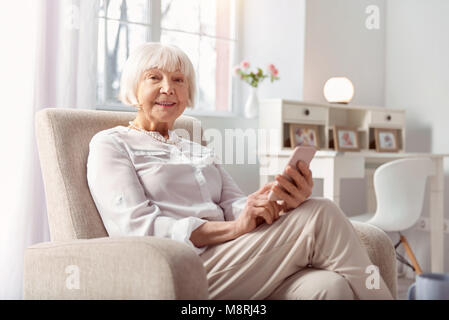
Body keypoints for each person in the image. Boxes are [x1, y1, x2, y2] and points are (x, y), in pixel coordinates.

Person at [86, 42, 393, 300]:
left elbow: (235, 204)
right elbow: (137, 230)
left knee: (329, 287)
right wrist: (236, 229)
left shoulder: (195, 147)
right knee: (321, 212)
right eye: (155, 78)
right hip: (182, 267)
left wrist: (273, 202)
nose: (169, 88)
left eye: (178, 80)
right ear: (133, 87)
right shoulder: (111, 144)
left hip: (234, 255)